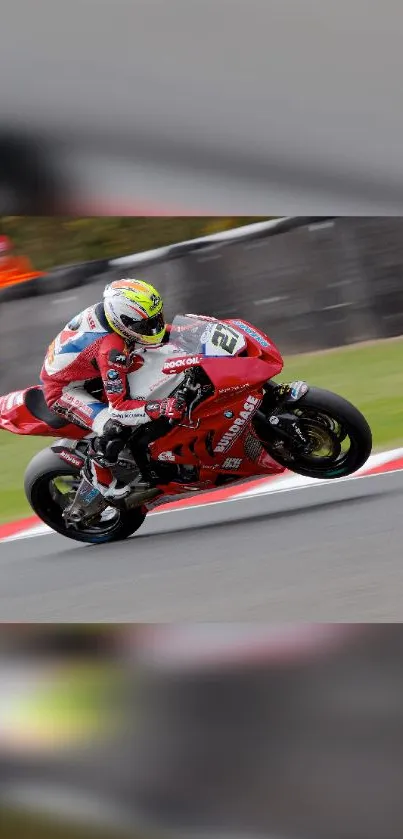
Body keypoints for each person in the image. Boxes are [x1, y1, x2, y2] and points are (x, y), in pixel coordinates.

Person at [41, 278, 187, 500]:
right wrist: (162, 407)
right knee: (114, 427)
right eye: (144, 326)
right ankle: (99, 475)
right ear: (123, 322)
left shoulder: (116, 314)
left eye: (156, 319)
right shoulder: (112, 350)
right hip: (64, 390)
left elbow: (162, 333)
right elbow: (120, 408)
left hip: (88, 373)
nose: (153, 328)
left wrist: (187, 333)